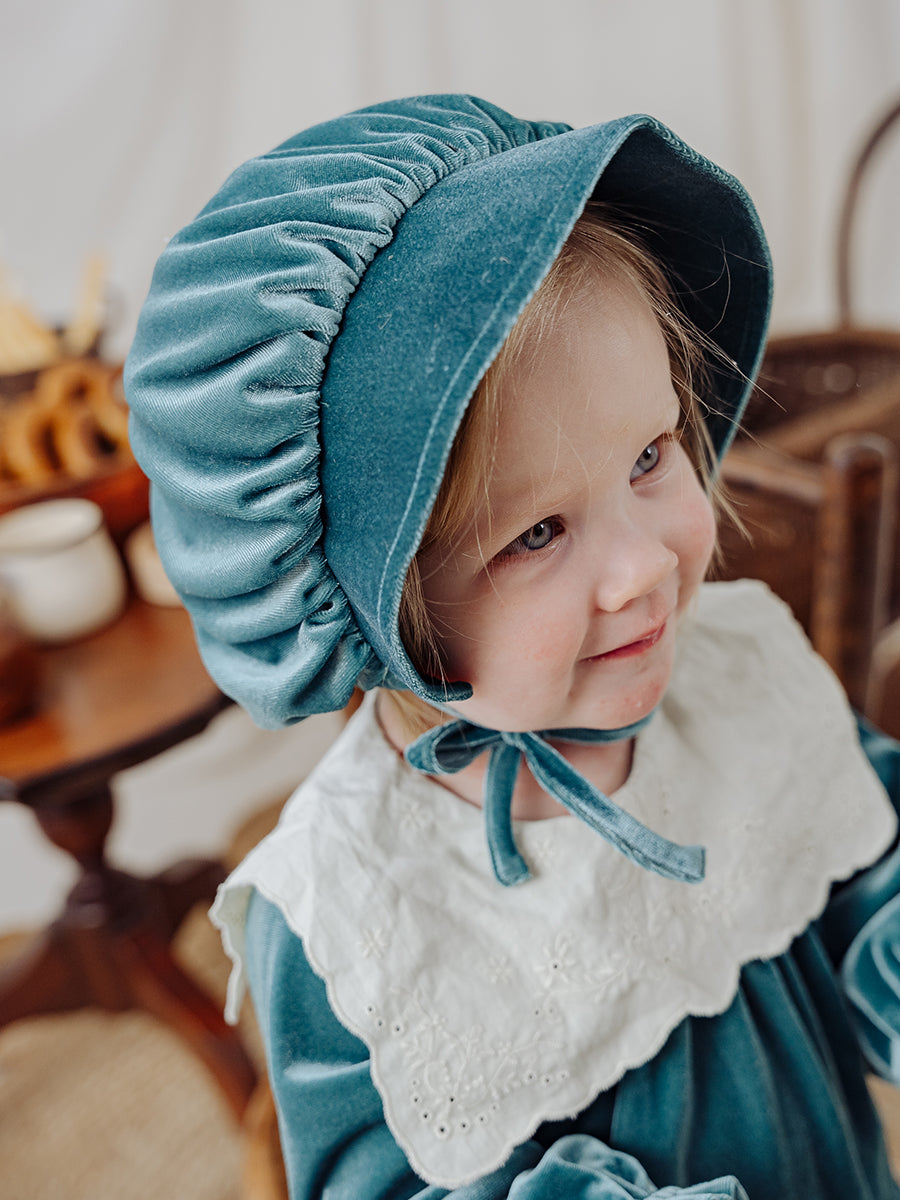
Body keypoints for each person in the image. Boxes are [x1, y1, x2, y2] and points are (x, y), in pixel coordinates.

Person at [125, 95, 900, 1199]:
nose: (642, 570)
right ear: (382, 608)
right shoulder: (350, 912)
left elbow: (866, 866)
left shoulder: (745, 671)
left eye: (650, 456)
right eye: (536, 533)